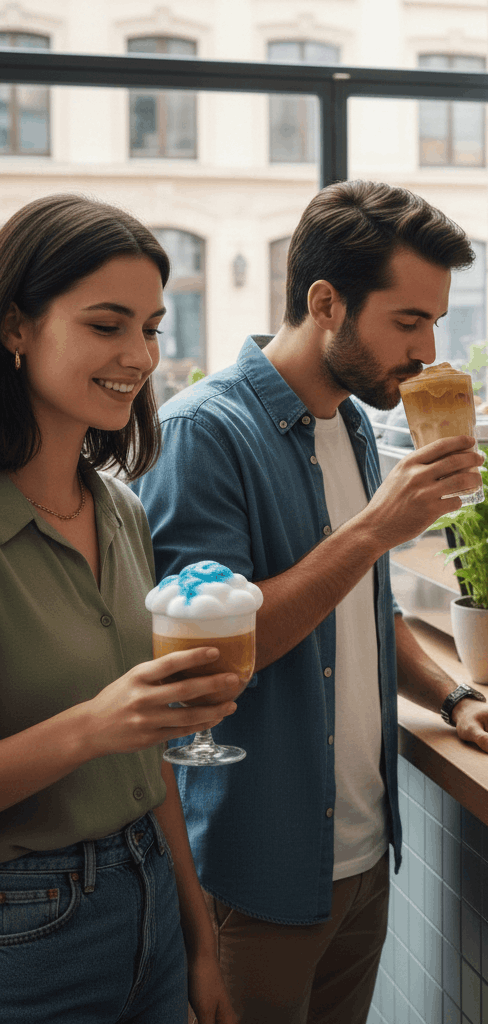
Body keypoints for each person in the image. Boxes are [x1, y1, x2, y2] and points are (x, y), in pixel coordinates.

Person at [132, 179, 488, 1024]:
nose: (428, 350)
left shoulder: (353, 421)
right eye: (408, 321)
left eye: (436, 321)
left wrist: (455, 698)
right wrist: (377, 528)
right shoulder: (204, 433)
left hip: (359, 861)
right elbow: (208, 657)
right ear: (326, 304)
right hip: (254, 876)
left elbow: (361, 611)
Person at [0, 194, 241, 1022]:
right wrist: (94, 726)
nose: (140, 356)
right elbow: (116, 728)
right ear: (15, 326)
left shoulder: (122, 509)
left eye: (152, 328)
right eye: (107, 325)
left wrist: (199, 940)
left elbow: (150, 758)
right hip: (26, 929)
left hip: (151, 899)